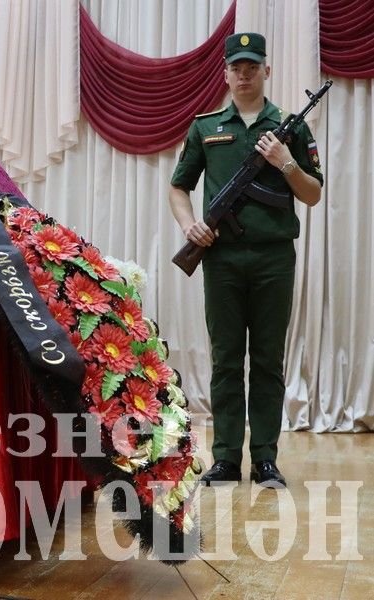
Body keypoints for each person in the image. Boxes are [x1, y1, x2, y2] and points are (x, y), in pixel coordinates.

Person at [168, 33, 323, 487]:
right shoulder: (206, 126)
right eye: (236, 67)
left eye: (252, 66)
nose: (244, 75)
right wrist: (188, 225)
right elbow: (179, 185)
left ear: (266, 71)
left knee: (269, 361)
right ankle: (226, 460)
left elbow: (312, 194)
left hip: (275, 258)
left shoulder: (289, 128)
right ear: (226, 73)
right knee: (226, 359)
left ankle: (266, 459)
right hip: (222, 261)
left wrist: (285, 162)